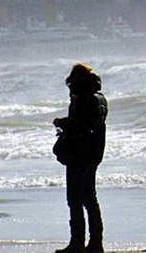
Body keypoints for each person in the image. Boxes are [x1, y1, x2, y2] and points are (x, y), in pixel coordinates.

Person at [52, 63, 108, 253]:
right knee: (90, 199)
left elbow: (78, 125)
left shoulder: (81, 97)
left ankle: (77, 243)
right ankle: (95, 243)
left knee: (74, 199)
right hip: (94, 153)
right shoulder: (100, 98)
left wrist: (61, 123)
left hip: (78, 154)